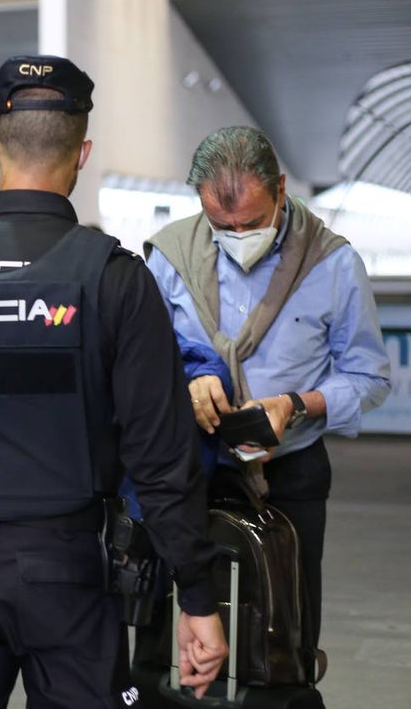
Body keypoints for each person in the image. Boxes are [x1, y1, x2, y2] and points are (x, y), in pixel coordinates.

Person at [0, 54, 228, 709]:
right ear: (82, 153)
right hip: (69, 570)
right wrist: (197, 595)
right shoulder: (113, 278)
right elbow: (159, 454)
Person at [144, 124, 391, 679]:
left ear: (281, 189)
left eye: (252, 223)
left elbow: (369, 376)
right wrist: (184, 381)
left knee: (287, 629)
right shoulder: (168, 258)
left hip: (290, 471)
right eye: (221, 225)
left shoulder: (332, 263)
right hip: (189, 468)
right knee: (174, 632)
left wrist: (297, 405)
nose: (237, 234)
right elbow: (139, 362)